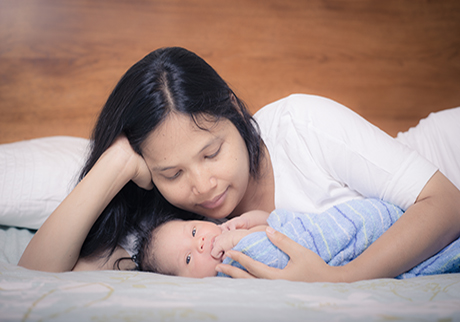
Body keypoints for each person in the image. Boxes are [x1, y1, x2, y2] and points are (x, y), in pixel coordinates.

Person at [18, 47, 460, 283]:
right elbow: (37, 276)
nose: (203, 185)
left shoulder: (302, 125)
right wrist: (115, 163)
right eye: (172, 173)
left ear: (234, 112)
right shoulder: (173, 233)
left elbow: (446, 202)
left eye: (211, 153)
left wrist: (341, 279)